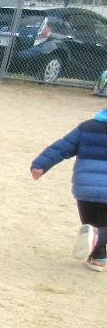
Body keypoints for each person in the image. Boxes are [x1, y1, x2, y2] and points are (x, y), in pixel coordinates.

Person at [31, 110, 107, 271]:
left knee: (90, 224)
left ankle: (97, 256)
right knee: (102, 227)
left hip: (85, 186)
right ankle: (98, 241)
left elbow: (61, 147)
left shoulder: (87, 127)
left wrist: (40, 164)